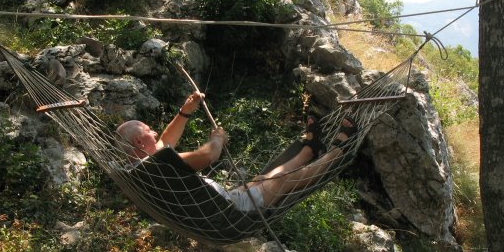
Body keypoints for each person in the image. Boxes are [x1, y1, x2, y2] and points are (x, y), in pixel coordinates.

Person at [115, 92, 355, 214]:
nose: (155, 132)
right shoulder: (156, 165)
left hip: (222, 202)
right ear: (138, 140)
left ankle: (309, 149)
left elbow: (164, 143)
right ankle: (337, 150)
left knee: (262, 180)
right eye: (149, 130)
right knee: (281, 180)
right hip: (230, 213)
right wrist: (217, 140)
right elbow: (208, 156)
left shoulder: (138, 166)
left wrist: (186, 111)